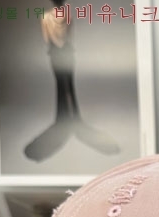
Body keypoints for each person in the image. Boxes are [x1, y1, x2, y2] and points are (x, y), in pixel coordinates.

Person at [23, 0, 120, 162]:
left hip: (55, 53)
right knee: (69, 85)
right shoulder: (68, 16)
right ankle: (73, 116)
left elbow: (47, 39)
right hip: (68, 52)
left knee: (60, 85)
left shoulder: (45, 18)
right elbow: (69, 36)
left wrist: (55, 44)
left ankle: (62, 117)